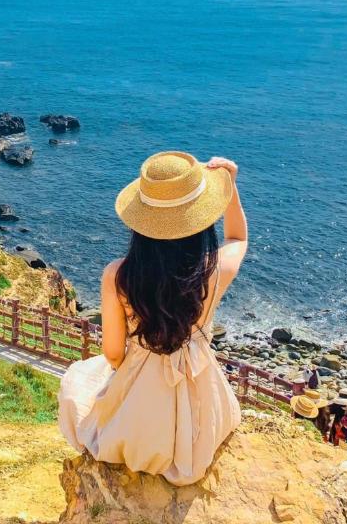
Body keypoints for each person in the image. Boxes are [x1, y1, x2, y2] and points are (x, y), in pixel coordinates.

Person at [58, 151, 248, 486]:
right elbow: (237, 238)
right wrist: (229, 187)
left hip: (139, 392)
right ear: (199, 221)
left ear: (141, 224)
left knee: (79, 384)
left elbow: (114, 354)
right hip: (199, 395)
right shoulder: (213, 272)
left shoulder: (118, 276)